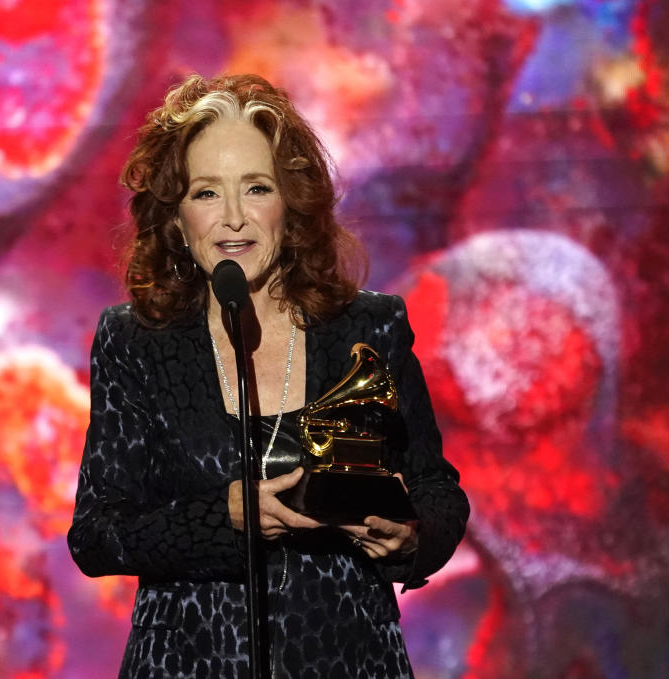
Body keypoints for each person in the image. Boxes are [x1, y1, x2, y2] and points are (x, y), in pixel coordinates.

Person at [67, 73, 469, 678]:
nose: (232, 219)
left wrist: (410, 538)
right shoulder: (135, 343)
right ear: (176, 219)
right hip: (188, 661)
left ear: (292, 204)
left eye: (256, 188)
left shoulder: (370, 328)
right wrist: (224, 516)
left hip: (348, 656)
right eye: (206, 193)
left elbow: (436, 491)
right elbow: (97, 534)